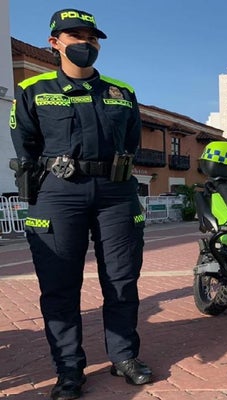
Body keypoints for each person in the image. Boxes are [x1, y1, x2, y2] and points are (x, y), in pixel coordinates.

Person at [9, 9, 152, 399]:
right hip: (58, 193)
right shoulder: (33, 89)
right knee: (59, 285)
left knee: (122, 280)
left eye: (91, 38)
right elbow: (26, 146)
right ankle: (69, 369)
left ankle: (124, 356)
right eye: (75, 36)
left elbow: (132, 141)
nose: (85, 44)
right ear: (55, 43)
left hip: (115, 192)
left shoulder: (122, 92)